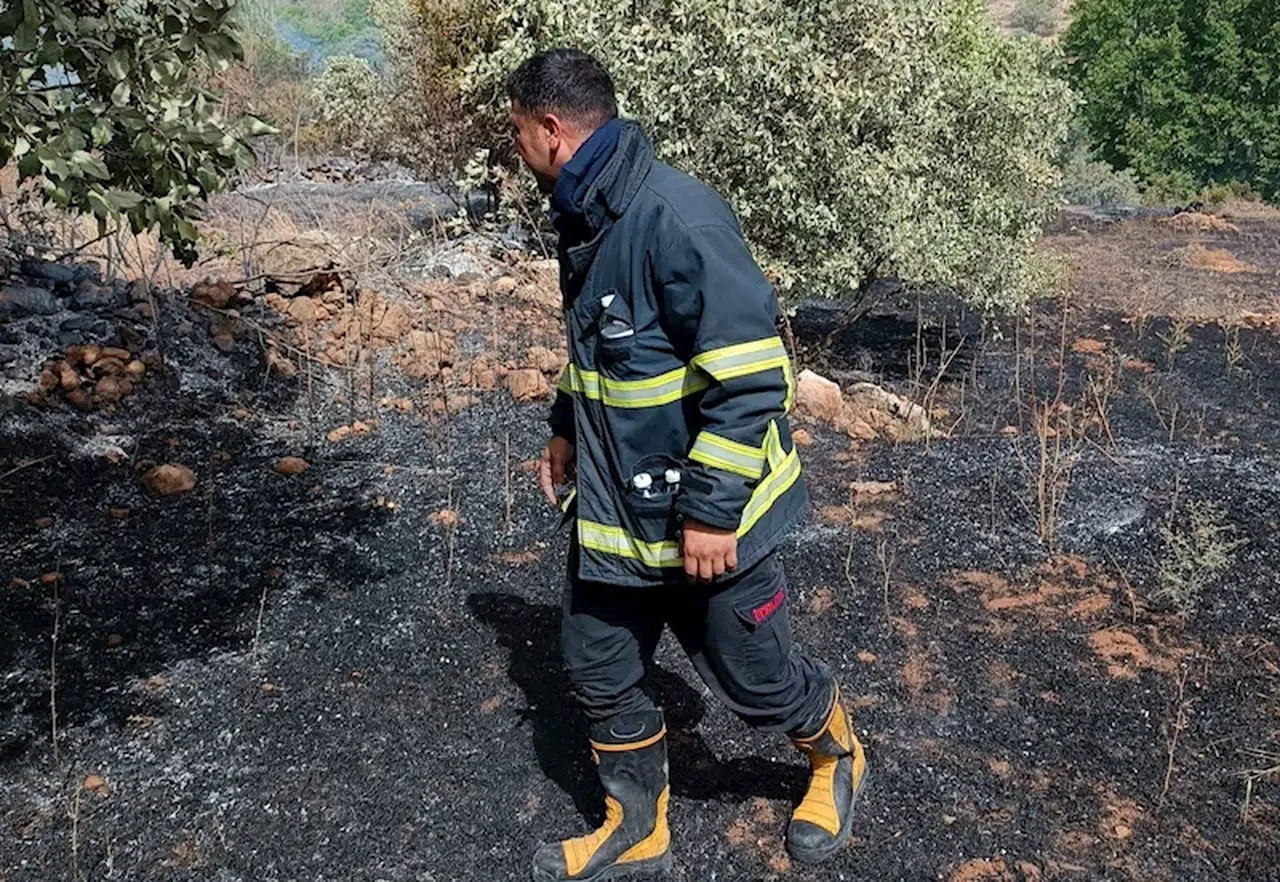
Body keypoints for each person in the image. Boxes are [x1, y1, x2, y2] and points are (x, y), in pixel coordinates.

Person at [507, 48, 868, 882]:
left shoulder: (676, 217)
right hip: (614, 509)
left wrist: (709, 510)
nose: (515, 148)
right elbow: (605, 348)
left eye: (518, 132)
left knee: (758, 682)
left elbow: (751, 382)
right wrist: (565, 422)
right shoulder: (590, 212)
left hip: (703, 517)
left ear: (552, 129)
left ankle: (836, 755)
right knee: (597, 663)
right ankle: (639, 829)